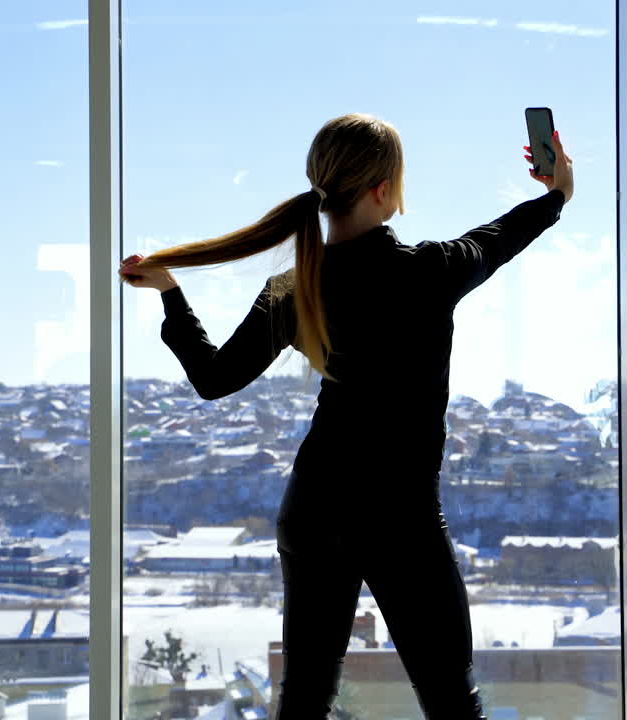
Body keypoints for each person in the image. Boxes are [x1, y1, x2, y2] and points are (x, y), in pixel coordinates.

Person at [118, 113, 573, 719]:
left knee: (303, 703)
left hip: (313, 511)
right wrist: (557, 195)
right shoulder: (428, 271)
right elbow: (497, 238)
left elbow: (215, 378)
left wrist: (172, 295)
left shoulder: (295, 286)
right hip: (401, 520)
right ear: (385, 190)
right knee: (451, 705)